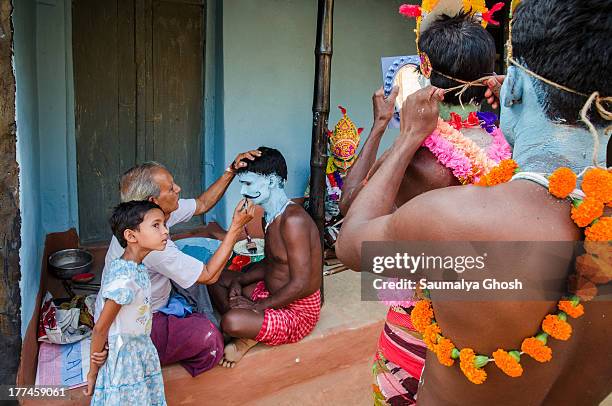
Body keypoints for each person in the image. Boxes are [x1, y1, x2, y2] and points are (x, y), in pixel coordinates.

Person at [337, 0, 611, 404]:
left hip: (422, 333)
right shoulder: (505, 157)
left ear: (512, 86)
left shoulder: (448, 212)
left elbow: (350, 232)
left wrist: (398, 132)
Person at [339, 9, 510, 405]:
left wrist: (386, 127)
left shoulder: (418, 156)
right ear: (489, 75)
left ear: (425, 66)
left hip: (417, 330)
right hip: (490, 325)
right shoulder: (507, 142)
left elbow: (351, 209)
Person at [103, 150, 258, 377]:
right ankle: (204, 332)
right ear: (152, 201)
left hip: (156, 295)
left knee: (199, 274)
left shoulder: (152, 217)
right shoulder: (152, 244)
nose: (178, 189)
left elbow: (202, 203)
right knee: (209, 338)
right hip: (143, 321)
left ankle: (205, 320)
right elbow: (208, 275)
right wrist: (235, 228)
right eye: (171, 188)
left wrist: (231, 171)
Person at [208, 147, 322, 368]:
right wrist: (239, 280)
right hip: (270, 294)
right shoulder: (269, 216)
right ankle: (249, 329)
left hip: (297, 311)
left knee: (231, 321)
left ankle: (246, 333)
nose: (242, 191)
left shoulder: (293, 221)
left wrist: (258, 307)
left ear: (271, 182)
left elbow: (303, 284)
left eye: (248, 184)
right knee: (215, 278)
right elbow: (273, 262)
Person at [86, 200, 169, 404]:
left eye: (164, 224)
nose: (165, 231)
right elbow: (100, 329)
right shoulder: (125, 280)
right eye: (156, 225)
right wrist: (93, 372)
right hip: (125, 361)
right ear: (131, 236)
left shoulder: (136, 268)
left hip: (139, 350)